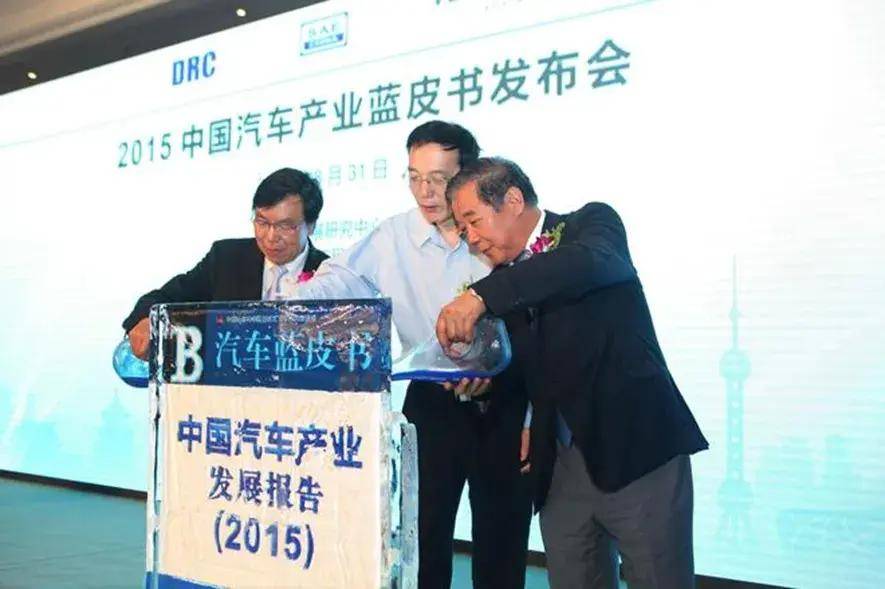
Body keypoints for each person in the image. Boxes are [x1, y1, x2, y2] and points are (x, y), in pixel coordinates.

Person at [436, 157, 709, 589]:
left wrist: (480, 296)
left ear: (512, 200)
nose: (469, 238)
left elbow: (587, 265)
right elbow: (528, 369)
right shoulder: (505, 278)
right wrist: (483, 381)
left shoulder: (590, 227)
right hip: (559, 468)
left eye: (472, 221)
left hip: (637, 452)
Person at [286, 122, 533, 589]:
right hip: (432, 405)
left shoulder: (499, 232)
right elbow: (340, 278)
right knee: (423, 539)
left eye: (439, 179)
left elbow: (538, 328)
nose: (425, 192)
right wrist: (288, 302)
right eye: (415, 177)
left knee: (502, 543)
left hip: (502, 404)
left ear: (468, 176)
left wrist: (530, 416)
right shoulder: (392, 237)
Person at [122, 167, 328, 358]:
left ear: (311, 225)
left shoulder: (330, 275)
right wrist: (146, 320)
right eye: (262, 222)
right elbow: (163, 298)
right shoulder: (226, 258)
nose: (271, 236)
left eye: (285, 226)